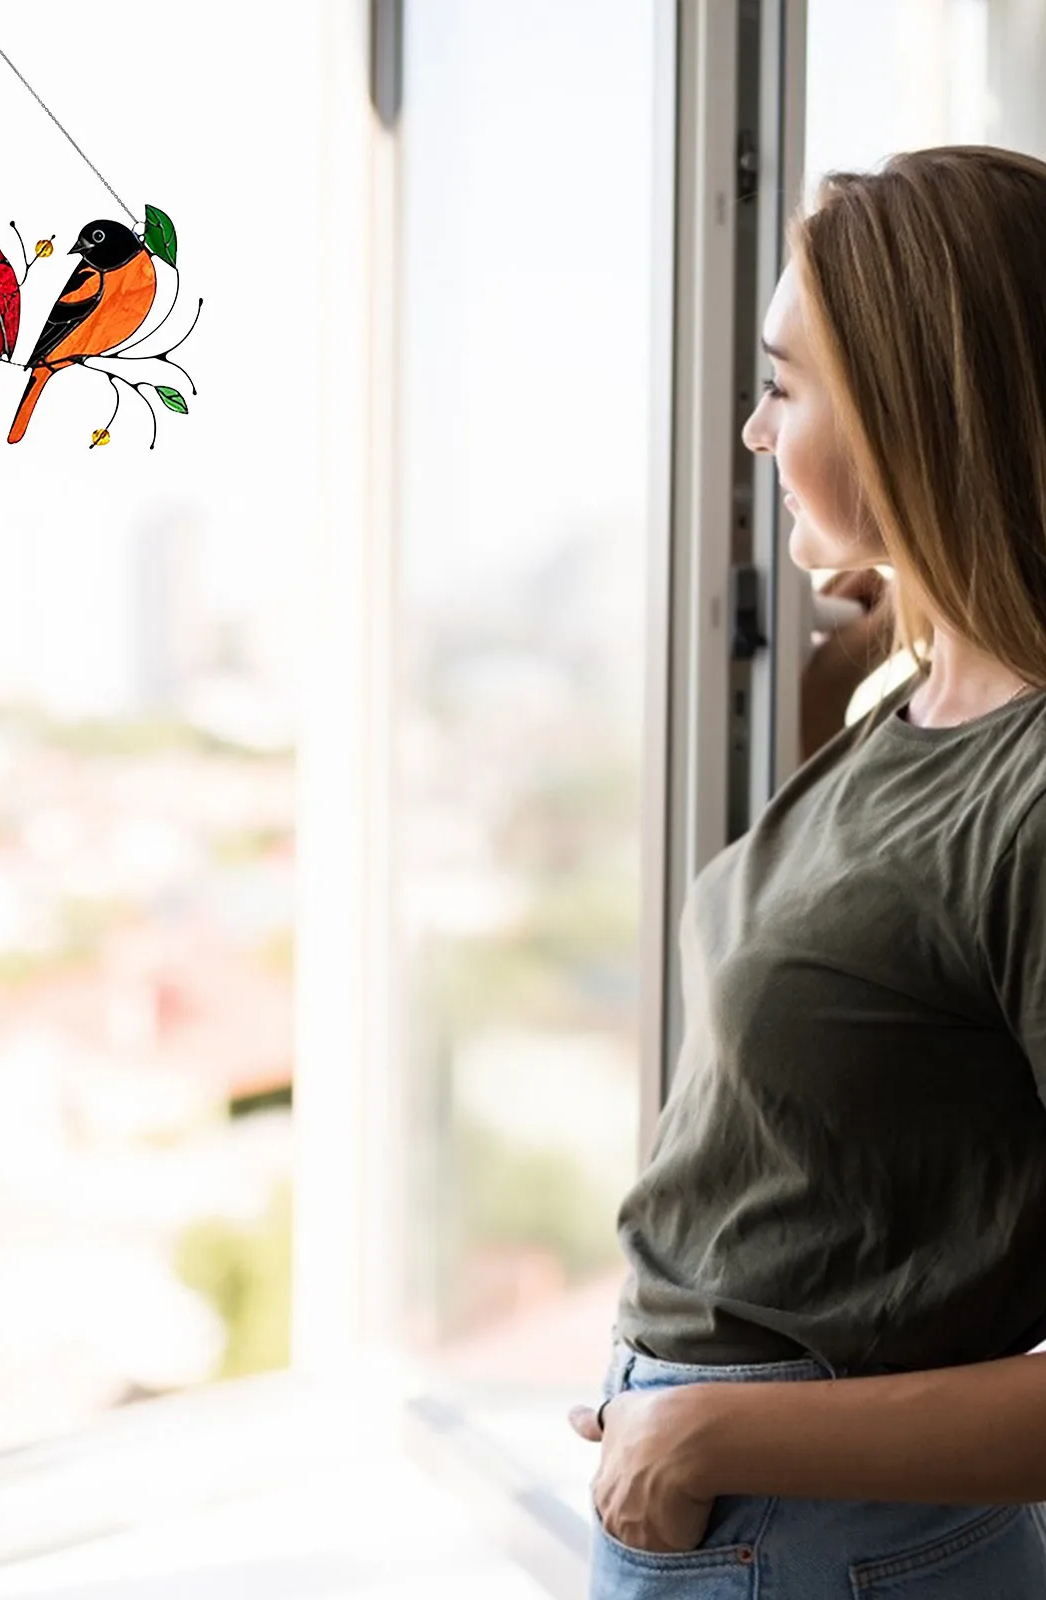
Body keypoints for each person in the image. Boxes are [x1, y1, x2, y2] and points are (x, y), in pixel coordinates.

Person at [567, 144, 1046, 1598]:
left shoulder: (1028, 788)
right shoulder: (905, 702)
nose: (752, 432)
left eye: (784, 383)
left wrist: (703, 1431)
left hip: (821, 1534)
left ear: (917, 411)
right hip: (757, 1510)